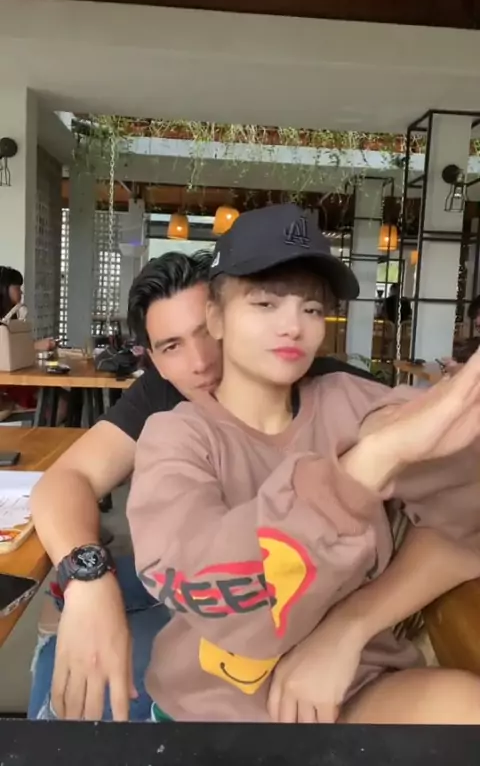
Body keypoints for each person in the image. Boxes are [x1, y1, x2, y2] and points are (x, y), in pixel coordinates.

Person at [128, 203, 480, 724]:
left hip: (353, 687)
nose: (293, 326)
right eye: (265, 303)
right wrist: (369, 465)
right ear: (216, 318)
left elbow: (466, 521)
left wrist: (348, 629)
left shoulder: (355, 403)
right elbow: (214, 590)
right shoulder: (178, 438)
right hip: (213, 708)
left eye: (312, 309)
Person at [29, 249, 379, 722]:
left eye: (206, 332)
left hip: (292, 606)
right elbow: (67, 479)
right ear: (154, 359)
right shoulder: (168, 392)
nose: (200, 362)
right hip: (203, 590)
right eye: (172, 346)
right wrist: (87, 580)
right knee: (66, 628)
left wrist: (351, 628)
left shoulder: (334, 392)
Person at [0, 266, 55, 412]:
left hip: (13, 381)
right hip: (7, 386)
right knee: (60, 402)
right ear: (4, 288)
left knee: (61, 398)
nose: (21, 292)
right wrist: (35, 346)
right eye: (17, 287)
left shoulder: (11, 316)